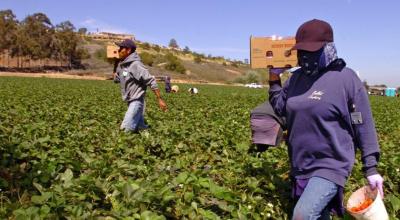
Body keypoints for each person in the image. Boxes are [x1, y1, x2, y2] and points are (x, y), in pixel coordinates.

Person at [268, 19, 384, 219]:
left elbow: (363, 124)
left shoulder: (346, 79)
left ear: (328, 48)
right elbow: (280, 107)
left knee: (303, 215)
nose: (306, 57)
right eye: (302, 51)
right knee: (319, 215)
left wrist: (371, 168)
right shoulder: (296, 79)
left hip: (331, 164)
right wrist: (273, 78)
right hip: (300, 163)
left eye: (312, 51)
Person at [113, 39, 167, 132]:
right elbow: (121, 78)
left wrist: (159, 99)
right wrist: (116, 74)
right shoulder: (124, 65)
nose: (119, 50)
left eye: (121, 48)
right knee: (141, 129)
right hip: (130, 101)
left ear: (128, 50)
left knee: (125, 131)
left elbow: (151, 81)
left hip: (137, 101)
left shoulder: (136, 65)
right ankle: (151, 140)